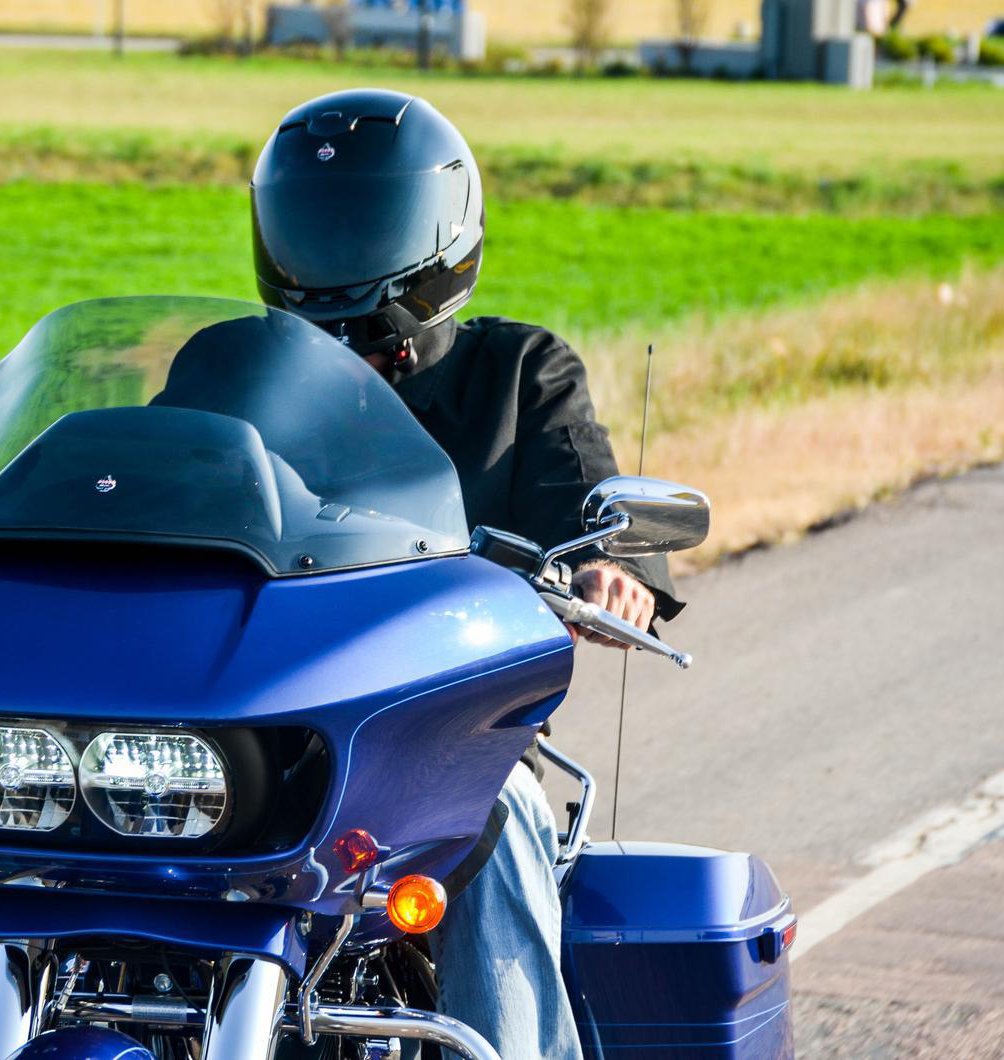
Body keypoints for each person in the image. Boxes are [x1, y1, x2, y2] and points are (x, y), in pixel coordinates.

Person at [251, 88, 683, 1058]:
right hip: (247, 724)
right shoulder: (235, 370)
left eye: (363, 217)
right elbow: (159, 485)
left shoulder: (517, 372)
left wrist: (615, 567)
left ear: (435, 227)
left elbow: (587, 493)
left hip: (432, 732)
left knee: (502, 811)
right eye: (315, 220)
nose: (334, 242)